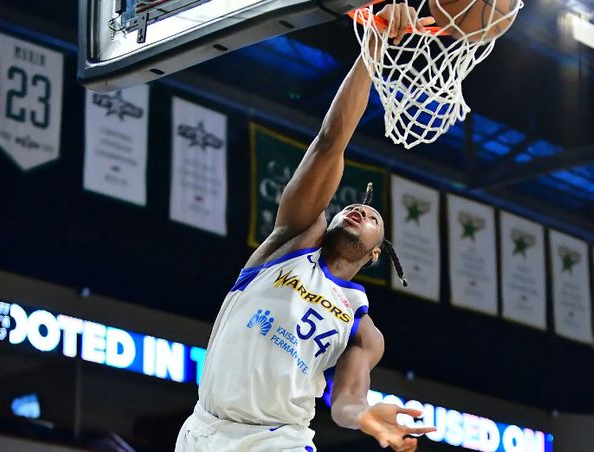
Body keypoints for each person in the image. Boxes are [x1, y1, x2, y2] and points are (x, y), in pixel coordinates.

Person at [176, 3, 436, 451]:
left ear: (376, 254)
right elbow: (331, 142)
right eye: (354, 207)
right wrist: (372, 49)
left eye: (373, 218)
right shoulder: (293, 240)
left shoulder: (362, 328)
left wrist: (366, 415)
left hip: (276, 441)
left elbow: (346, 402)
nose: (361, 212)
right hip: (202, 430)